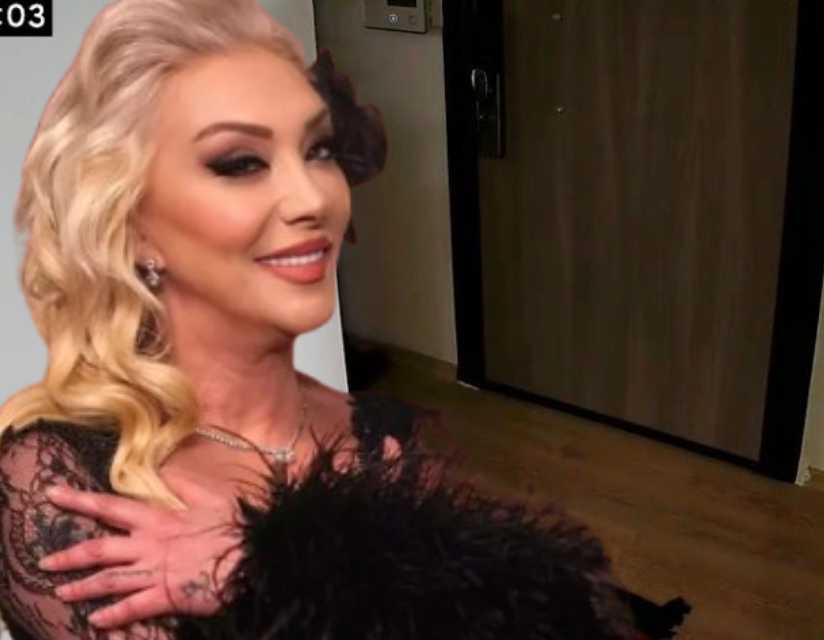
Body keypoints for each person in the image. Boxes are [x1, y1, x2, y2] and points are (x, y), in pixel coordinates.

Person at [0, 1, 686, 638]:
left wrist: (261, 564)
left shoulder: (387, 438)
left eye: (319, 149)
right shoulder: (57, 481)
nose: (313, 198)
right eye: (240, 162)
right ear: (132, 226)